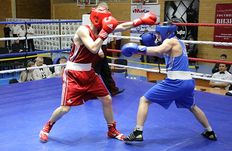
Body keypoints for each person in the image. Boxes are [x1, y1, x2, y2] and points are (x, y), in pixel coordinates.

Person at [39, 2, 157, 143]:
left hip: (89, 72)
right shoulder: (83, 30)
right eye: (103, 10)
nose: (106, 14)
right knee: (65, 109)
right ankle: (47, 126)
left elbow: (122, 26)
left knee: (107, 99)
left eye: (107, 11)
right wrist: (104, 32)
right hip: (73, 73)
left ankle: (111, 130)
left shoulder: (103, 29)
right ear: (96, 15)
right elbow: (94, 48)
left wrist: (141, 20)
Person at [121, 22, 217, 142]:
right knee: (192, 106)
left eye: (158, 33)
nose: (157, 36)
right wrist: (148, 47)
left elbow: (158, 51)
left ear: (165, 32)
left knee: (144, 100)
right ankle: (210, 131)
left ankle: (138, 132)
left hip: (175, 82)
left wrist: (138, 49)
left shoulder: (170, 41)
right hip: (187, 82)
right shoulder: (179, 42)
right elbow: (162, 54)